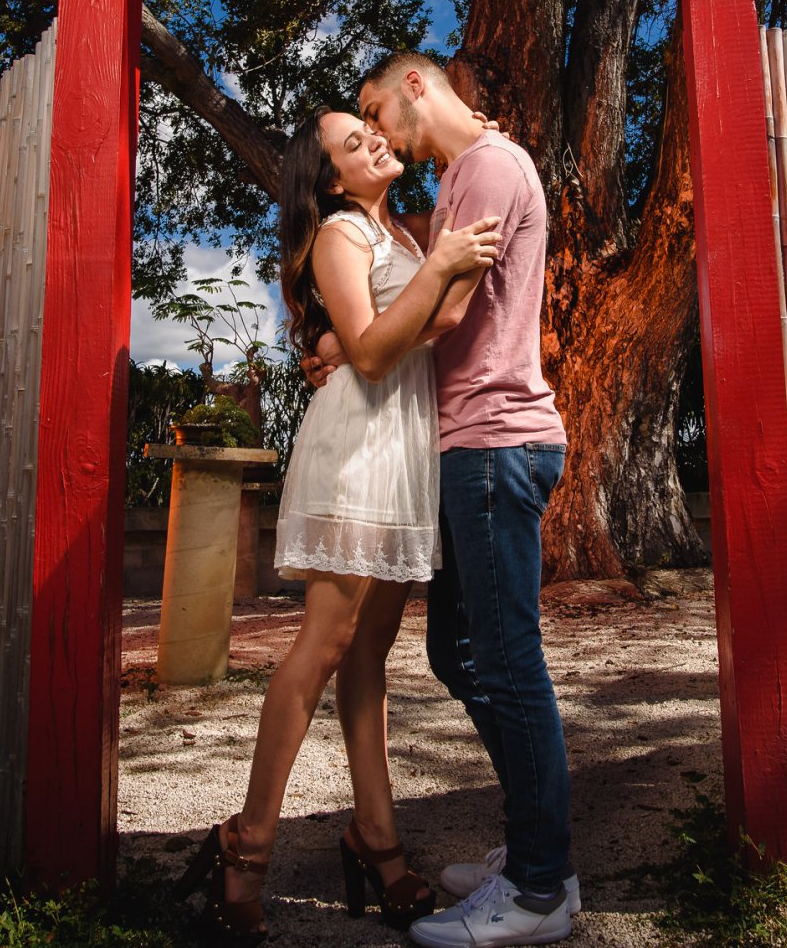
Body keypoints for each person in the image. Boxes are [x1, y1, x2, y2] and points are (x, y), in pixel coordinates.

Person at [173, 107, 503, 945]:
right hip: (358, 448)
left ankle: (376, 834)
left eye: (373, 130)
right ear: (330, 179)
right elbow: (372, 347)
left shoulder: (398, 232)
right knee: (323, 645)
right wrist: (442, 269)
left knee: (368, 654)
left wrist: (475, 139)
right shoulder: (340, 234)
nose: (377, 141)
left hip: (403, 452)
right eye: (356, 142)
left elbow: (421, 316)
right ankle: (247, 844)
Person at [309, 50, 579, 947]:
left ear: (416, 86)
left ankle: (540, 889)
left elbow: (451, 310)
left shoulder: (490, 166)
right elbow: (409, 264)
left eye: (374, 107)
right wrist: (346, 337)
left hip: (497, 440)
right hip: (467, 446)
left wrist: (355, 348)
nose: (375, 127)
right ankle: (539, 846)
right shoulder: (467, 172)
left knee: (505, 659)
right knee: (460, 653)